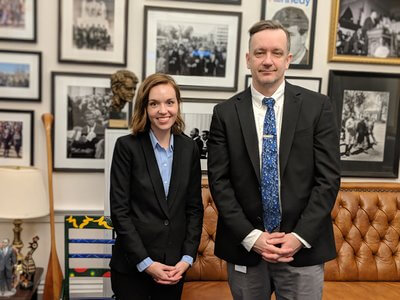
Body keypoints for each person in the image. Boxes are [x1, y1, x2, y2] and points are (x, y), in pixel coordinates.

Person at [207, 20, 340, 300]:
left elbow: (327, 180)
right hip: (246, 248)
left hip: (302, 250)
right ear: (248, 59)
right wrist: (252, 237)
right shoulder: (225, 114)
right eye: (260, 53)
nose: (268, 61)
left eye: (276, 53)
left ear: (288, 60)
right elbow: (220, 183)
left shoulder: (318, 107)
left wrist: (298, 237)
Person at [109, 73, 203, 300]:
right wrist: (146, 263)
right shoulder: (126, 147)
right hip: (133, 267)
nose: (163, 110)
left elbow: (194, 209)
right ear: (144, 107)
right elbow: (120, 212)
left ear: (178, 105)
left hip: (174, 269)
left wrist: (186, 259)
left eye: (169, 102)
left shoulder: (189, 148)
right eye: (154, 104)